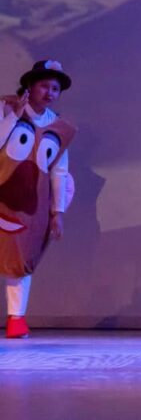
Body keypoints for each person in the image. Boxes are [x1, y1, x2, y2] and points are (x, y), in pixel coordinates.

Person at [0, 60, 75, 339]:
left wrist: (57, 212)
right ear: (29, 87)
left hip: (30, 203)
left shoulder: (58, 127)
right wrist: (14, 116)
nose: (49, 92)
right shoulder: (6, 108)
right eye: (44, 86)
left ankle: (16, 318)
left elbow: (59, 170)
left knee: (21, 258)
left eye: (55, 88)